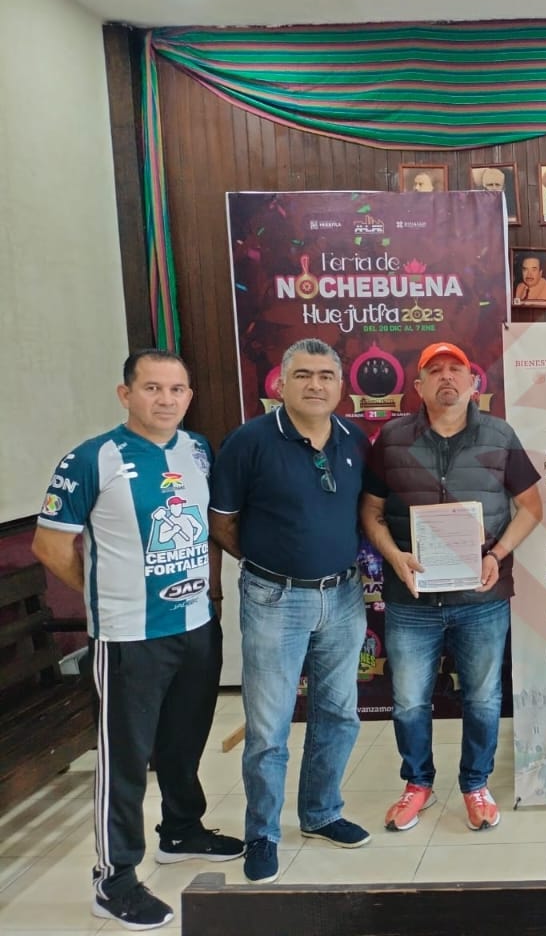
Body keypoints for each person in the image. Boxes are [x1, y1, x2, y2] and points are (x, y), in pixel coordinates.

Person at [32, 349, 242, 931]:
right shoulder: (90, 459)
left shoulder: (196, 449)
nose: (165, 399)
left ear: (189, 396)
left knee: (183, 741)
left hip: (195, 626)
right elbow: (50, 547)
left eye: (176, 389)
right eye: (152, 388)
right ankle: (114, 879)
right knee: (125, 759)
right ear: (126, 394)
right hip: (130, 636)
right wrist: (106, 597)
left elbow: (207, 531)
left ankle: (181, 830)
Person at [360, 341, 542, 834]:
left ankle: (475, 784)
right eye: (435, 370)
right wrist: (394, 556)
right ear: (418, 386)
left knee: (482, 699)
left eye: (455, 369)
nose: (447, 377)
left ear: (473, 383)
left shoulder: (501, 436)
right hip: (411, 600)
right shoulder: (391, 439)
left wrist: (496, 555)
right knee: (408, 701)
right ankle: (417, 783)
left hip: (481, 600)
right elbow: (371, 512)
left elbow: (531, 507)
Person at [210, 338, 372, 884]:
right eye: (303, 375)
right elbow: (222, 522)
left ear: (341, 385)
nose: (315, 385)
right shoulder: (249, 441)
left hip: (343, 596)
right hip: (274, 599)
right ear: (281, 383)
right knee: (268, 727)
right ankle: (263, 833)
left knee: (339, 715)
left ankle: (321, 813)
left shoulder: (354, 439)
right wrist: (269, 565)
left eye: (326, 376)